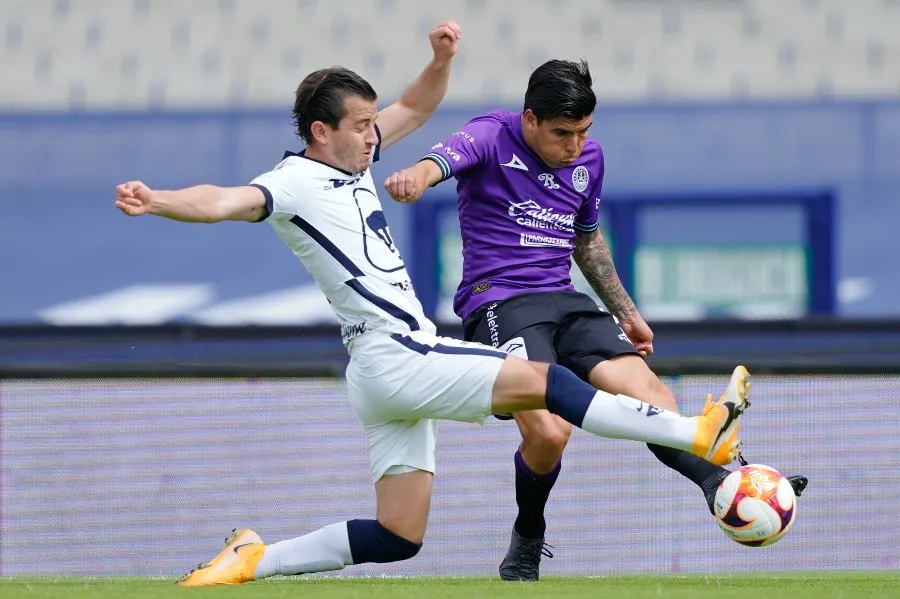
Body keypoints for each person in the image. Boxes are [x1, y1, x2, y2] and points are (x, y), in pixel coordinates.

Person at [115, 29, 749, 586]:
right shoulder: (292, 184)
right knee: (549, 385)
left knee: (398, 535)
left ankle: (254, 559)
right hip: (399, 350)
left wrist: (440, 60)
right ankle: (695, 433)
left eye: (374, 124)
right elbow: (222, 201)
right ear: (320, 132)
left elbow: (417, 105)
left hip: (377, 376)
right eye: (361, 126)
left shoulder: (355, 159)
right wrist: (158, 199)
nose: (374, 135)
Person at [384, 59, 808, 581]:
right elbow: (438, 162)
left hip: (566, 302)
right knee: (549, 433)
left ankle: (720, 483)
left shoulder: (590, 158)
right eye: (563, 134)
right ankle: (528, 536)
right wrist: (415, 177)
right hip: (500, 303)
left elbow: (586, 241)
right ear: (530, 119)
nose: (575, 145)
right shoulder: (490, 134)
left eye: (584, 132)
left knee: (653, 398)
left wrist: (628, 313)